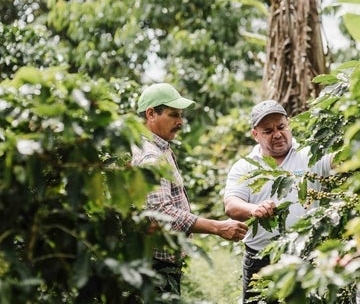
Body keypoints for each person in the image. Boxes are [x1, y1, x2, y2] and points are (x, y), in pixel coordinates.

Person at [131, 82, 248, 297]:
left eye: (180, 115)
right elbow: (161, 215)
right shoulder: (152, 157)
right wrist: (217, 227)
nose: (180, 122)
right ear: (151, 114)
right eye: (173, 115)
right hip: (155, 267)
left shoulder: (159, 148)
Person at [224, 100, 334, 303]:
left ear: (288, 124)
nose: (277, 134)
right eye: (268, 130)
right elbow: (231, 204)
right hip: (261, 261)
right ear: (255, 134)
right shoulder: (244, 167)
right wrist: (254, 209)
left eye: (281, 127)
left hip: (307, 256)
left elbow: (341, 160)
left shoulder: (310, 155)